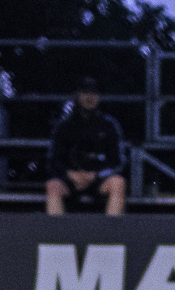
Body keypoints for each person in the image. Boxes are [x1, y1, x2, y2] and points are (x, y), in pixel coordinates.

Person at [45, 79, 127, 215]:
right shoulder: (64, 127)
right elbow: (53, 162)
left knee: (118, 183)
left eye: (93, 93)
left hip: (99, 179)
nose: (89, 97)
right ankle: (56, 229)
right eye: (85, 93)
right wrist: (70, 174)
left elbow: (118, 163)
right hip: (71, 180)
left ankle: (112, 229)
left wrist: (96, 175)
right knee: (53, 186)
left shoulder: (109, 125)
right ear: (78, 95)